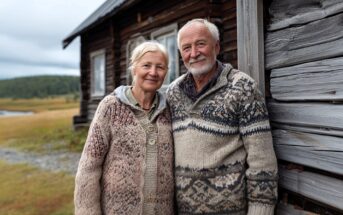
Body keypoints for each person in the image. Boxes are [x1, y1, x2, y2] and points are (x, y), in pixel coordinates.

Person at [166, 18, 278, 215]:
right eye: (186, 48)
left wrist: (261, 210)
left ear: (216, 46)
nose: (194, 53)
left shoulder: (243, 87)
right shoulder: (173, 92)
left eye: (201, 44)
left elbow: (262, 160)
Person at [74, 41, 174, 215]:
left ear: (166, 72)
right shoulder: (110, 106)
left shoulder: (169, 110)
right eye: (146, 65)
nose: (153, 72)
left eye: (160, 67)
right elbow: (89, 169)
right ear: (134, 68)